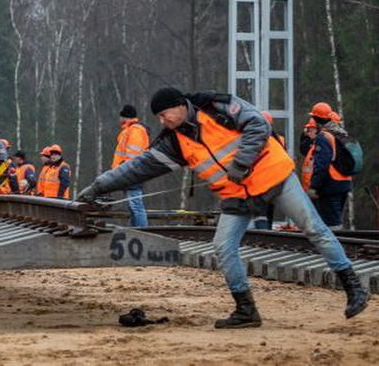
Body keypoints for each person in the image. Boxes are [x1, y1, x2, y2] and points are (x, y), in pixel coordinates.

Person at [78, 87, 369, 327]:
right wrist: (98, 186)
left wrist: (241, 162)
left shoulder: (217, 106)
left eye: (164, 115)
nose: (163, 122)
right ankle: (246, 310)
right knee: (223, 246)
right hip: (236, 195)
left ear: (179, 106)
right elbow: (136, 168)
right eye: (159, 118)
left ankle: (354, 287)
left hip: (274, 176)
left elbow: (258, 123)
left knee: (314, 229)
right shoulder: (173, 143)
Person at [301, 102, 352, 228]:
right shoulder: (341, 134)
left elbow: (321, 164)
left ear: (316, 118)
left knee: (331, 223)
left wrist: (314, 186)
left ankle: (336, 246)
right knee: (335, 219)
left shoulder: (324, 137)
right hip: (344, 183)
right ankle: (340, 244)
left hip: (330, 185)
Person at [111, 104, 150, 227]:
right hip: (130, 173)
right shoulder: (130, 131)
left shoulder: (135, 131)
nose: (119, 119)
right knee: (133, 206)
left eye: (121, 116)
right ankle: (137, 232)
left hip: (132, 173)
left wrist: (125, 169)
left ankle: (142, 232)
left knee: (136, 205)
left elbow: (133, 155)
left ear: (124, 117)